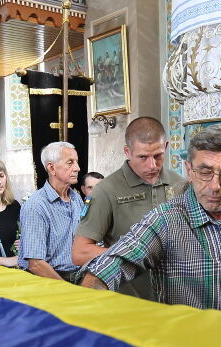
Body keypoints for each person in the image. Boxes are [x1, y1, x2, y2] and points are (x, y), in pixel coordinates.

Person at [81, 124, 221, 323]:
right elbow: (109, 267)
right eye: (204, 172)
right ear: (189, 170)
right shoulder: (166, 220)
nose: (215, 186)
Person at [72, 117, 186, 298]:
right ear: (127, 151)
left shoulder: (180, 184)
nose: (152, 165)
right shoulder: (106, 190)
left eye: (158, 156)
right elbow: (80, 252)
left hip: (178, 299)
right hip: (132, 300)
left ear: (165, 146)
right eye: (143, 157)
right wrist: (135, 254)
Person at [19, 142, 82, 280]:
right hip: (49, 280)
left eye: (77, 162)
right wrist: (67, 289)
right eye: (70, 163)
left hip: (78, 276)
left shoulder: (76, 199)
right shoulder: (36, 205)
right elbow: (35, 264)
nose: (77, 168)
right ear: (52, 168)